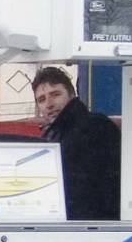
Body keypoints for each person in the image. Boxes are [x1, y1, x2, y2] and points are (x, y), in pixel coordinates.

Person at [31, 66, 123, 221]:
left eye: (55, 95)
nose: (49, 104)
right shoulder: (56, 132)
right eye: (42, 99)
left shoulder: (94, 126)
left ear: (72, 94)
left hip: (92, 224)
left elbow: (86, 188)